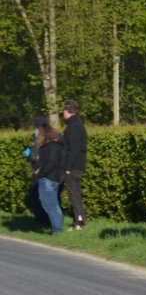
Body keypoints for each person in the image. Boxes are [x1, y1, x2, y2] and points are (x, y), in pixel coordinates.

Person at [30, 115, 66, 235]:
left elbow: (51, 162)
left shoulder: (51, 145)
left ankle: (57, 229)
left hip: (49, 178)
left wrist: (41, 173)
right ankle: (57, 228)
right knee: (53, 205)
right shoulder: (56, 143)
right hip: (54, 177)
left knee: (50, 205)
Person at [60, 98, 87, 229]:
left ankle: (79, 221)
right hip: (76, 165)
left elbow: (73, 148)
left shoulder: (74, 126)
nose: (63, 113)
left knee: (74, 194)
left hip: (73, 166)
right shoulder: (76, 124)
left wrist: (68, 167)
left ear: (69, 111)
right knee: (75, 193)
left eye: (64, 110)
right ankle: (78, 219)